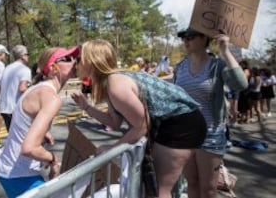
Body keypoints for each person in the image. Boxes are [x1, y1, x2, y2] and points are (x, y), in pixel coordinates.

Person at [71, 39, 207, 198]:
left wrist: (113, 149)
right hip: (181, 122)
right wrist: (87, 107)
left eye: (79, 58)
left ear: (91, 61)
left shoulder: (116, 83)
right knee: (157, 188)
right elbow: (114, 122)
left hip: (180, 124)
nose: (76, 63)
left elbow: (142, 125)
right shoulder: (112, 81)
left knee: (159, 190)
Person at [0, 46, 80, 198]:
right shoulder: (51, 98)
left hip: (9, 170)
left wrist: (42, 132)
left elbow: (22, 118)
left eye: (75, 58)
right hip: (20, 176)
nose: (74, 61)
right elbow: (29, 148)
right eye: (68, 59)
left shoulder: (37, 88)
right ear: (53, 68)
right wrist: (53, 159)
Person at [174, 28, 248, 198]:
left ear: (204, 38)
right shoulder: (180, 67)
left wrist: (225, 50)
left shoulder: (217, 66)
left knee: (208, 190)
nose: (186, 40)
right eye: (183, 37)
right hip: (185, 136)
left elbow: (241, 84)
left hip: (211, 135)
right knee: (191, 184)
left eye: (191, 37)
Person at [0, 45, 31, 132]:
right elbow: (22, 88)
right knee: (22, 139)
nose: (28, 56)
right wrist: (34, 91)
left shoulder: (7, 68)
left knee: (12, 137)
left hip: (4, 108)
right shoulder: (25, 69)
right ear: (22, 56)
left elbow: (0, 87)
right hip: (16, 109)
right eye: (27, 54)